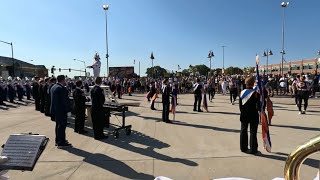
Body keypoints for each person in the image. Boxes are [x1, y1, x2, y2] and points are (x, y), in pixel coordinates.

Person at [239, 76, 260, 154]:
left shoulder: (242, 92)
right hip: (253, 114)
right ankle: (253, 148)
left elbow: (240, 106)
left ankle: (243, 147)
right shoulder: (256, 93)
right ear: (253, 83)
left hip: (244, 114)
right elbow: (259, 105)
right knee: (253, 132)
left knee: (243, 130)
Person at [50, 75, 72, 148]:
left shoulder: (53, 87)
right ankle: (61, 142)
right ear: (63, 80)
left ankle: (58, 140)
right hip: (61, 110)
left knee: (58, 126)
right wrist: (68, 110)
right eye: (64, 80)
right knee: (62, 126)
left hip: (56, 110)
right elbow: (65, 101)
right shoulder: (61, 88)